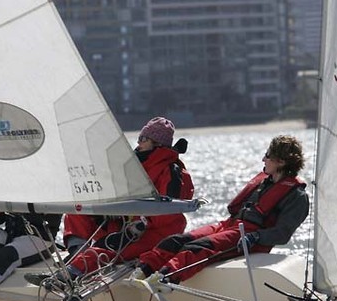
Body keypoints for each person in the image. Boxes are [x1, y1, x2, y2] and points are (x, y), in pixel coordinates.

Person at [25, 116, 194, 291]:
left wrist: (137, 224)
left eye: (144, 139)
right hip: (125, 223)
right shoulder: (136, 163)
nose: (139, 143)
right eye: (139, 138)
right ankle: (77, 254)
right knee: (79, 212)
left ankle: (66, 277)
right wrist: (108, 209)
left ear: (157, 143)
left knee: (109, 246)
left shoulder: (171, 170)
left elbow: (167, 211)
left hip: (154, 232)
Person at [130, 134, 308, 288]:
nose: (263, 160)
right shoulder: (265, 182)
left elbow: (283, 234)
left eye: (268, 156)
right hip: (230, 226)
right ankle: (143, 270)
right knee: (175, 240)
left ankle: (165, 277)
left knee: (198, 247)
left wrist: (256, 237)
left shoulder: (296, 196)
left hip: (249, 236)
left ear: (281, 162)